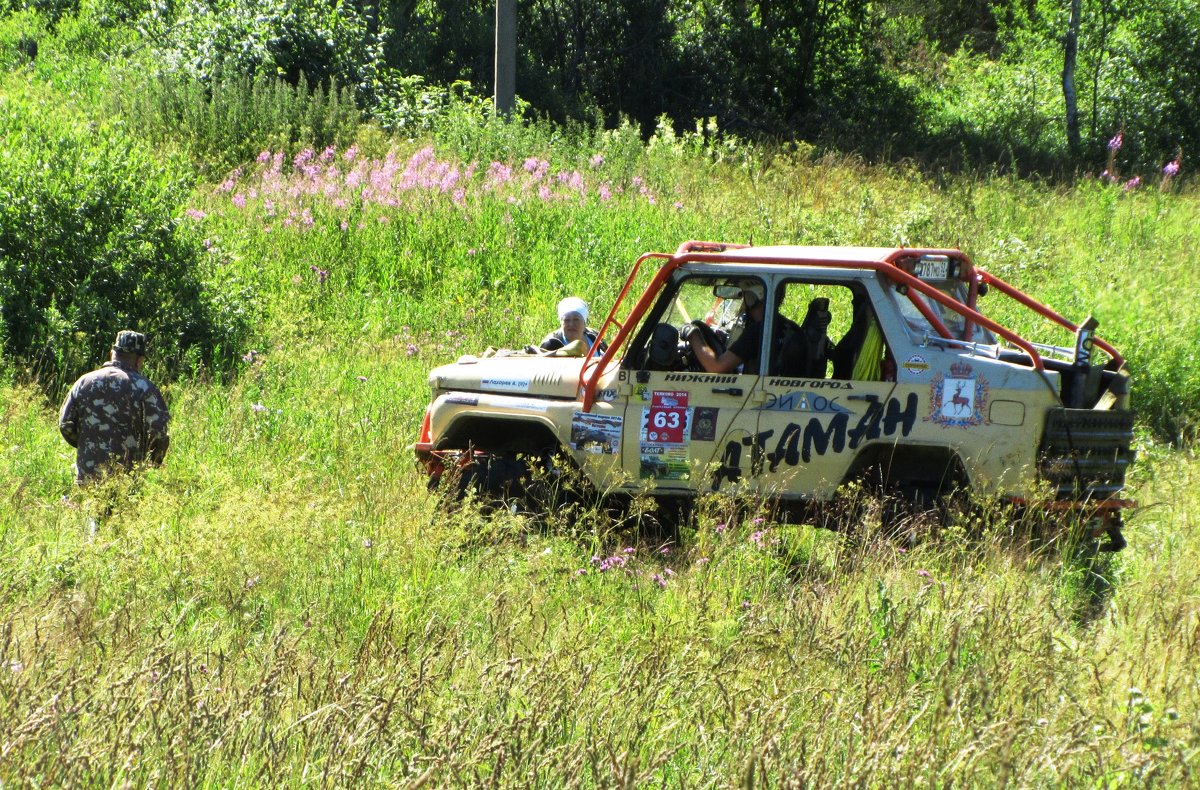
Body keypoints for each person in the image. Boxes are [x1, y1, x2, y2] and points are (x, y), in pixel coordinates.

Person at [59, 330, 171, 484]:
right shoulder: (144, 388)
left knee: (89, 509)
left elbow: (65, 425)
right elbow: (159, 433)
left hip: (88, 478)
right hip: (127, 480)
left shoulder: (83, 382)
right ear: (139, 360)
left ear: (112, 353)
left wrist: (88, 446)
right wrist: (151, 465)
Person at [681, 283, 775, 374]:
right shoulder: (779, 325)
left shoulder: (758, 331)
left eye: (745, 296)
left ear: (751, 298)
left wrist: (693, 333)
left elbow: (716, 367)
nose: (744, 303)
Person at [539, 296, 608, 356]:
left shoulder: (595, 338)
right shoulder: (551, 344)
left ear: (584, 322)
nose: (571, 324)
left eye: (576, 320)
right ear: (561, 323)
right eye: (566, 320)